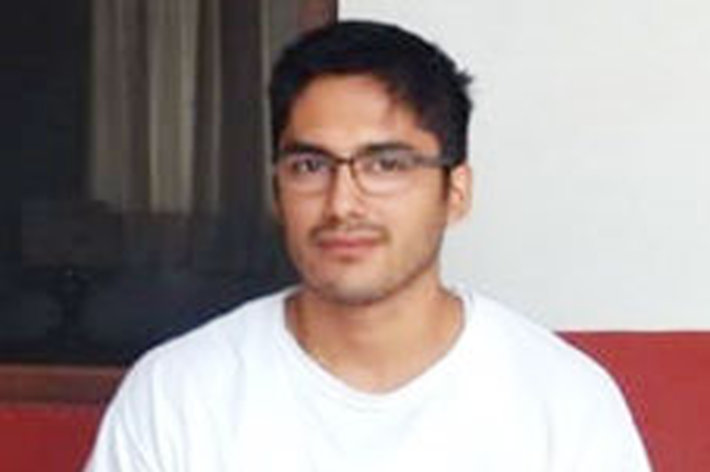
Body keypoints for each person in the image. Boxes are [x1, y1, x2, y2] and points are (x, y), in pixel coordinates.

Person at [85, 20, 651, 471]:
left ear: (456, 192)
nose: (342, 204)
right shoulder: (179, 394)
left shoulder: (563, 401)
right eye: (310, 166)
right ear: (278, 191)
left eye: (386, 165)